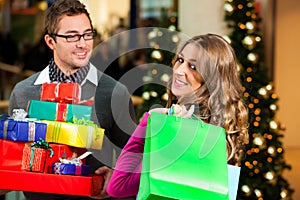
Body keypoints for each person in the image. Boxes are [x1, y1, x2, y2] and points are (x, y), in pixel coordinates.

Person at [8, 0, 136, 199]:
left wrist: (115, 177)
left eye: (87, 34)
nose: (83, 44)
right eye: (71, 37)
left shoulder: (115, 92)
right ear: (51, 42)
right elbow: (14, 157)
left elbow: (133, 162)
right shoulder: (23, 92)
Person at [105, 33, 249, 198]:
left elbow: (118, 185)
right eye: (180, 60)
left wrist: (148, 121)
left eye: (193, 67)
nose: (180, 71)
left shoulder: (179, 129)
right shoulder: (219, 126)